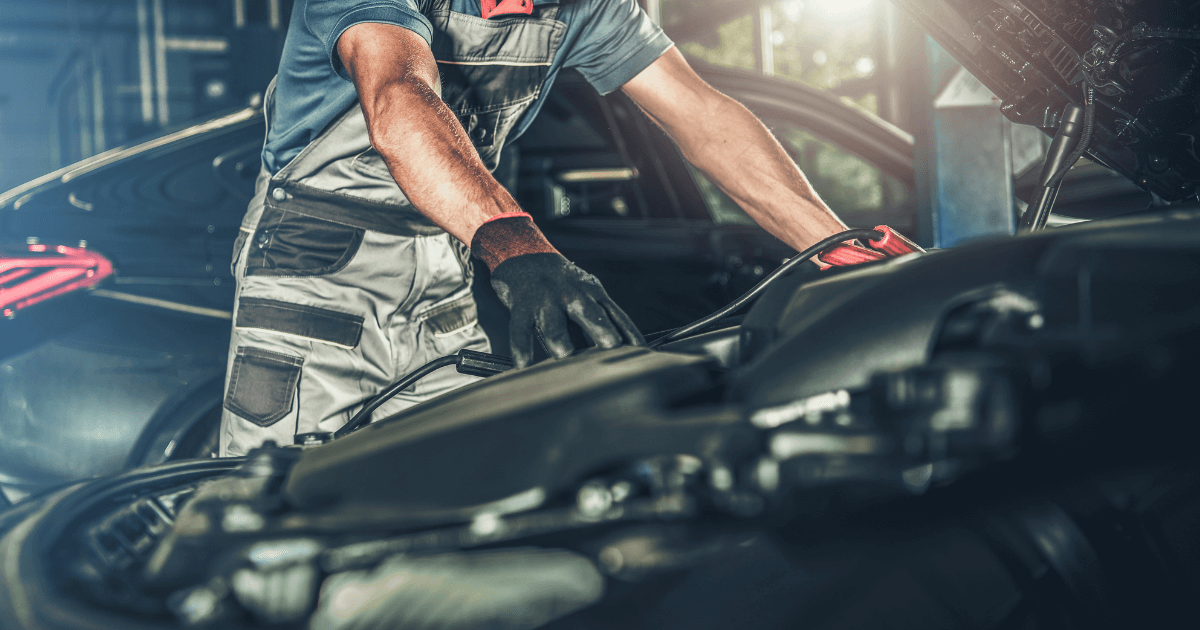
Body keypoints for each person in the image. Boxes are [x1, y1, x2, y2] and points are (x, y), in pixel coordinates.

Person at [219, 0, 855, 457]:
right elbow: (398, 98)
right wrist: (515, 243)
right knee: (277, 530)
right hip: (316, 270)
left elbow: (703, 118)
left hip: (444, 267)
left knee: (449, 507)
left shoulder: (584, 7)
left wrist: (847, 250)